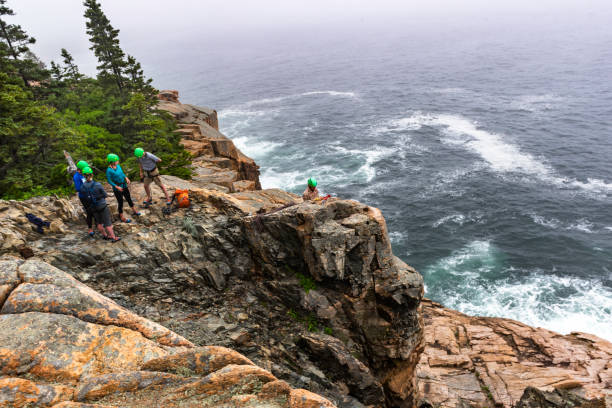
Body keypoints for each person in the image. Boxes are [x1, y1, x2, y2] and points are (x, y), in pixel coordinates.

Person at [81, 167, 121, 242]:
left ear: (83, 175)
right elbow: (105, 195)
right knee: (107, 223)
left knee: (99, 222)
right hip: (102, 205)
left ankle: (105, 236)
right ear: (92, 174)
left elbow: (84, 198)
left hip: (92, 207)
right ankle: (113, 237)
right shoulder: (97, 184)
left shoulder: (82, 187)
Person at [106, 153, 141, 223]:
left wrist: (126, 178)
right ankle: (121, 216)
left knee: (128, 198)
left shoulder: (118, 166)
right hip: (117, 188)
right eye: (116, 160)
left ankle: (134, 210)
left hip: (124, 185)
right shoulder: (109, 170)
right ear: (112, 162)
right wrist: (116, 187)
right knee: (120, 202)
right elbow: (109, 181)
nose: (118, 161)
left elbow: (122, 173)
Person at [73, 160, 95, 236]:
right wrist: (87, 187)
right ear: (80, 169)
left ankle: (98, 224)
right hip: (84, 196)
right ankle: (90, 228)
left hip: (91, 194)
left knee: (95, 209)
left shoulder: (85, 172)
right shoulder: (76, 176)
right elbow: (78, 188)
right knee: (89, 212)